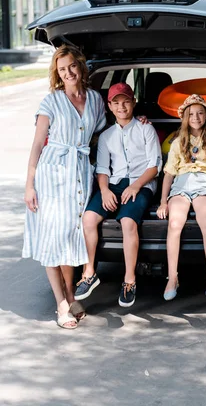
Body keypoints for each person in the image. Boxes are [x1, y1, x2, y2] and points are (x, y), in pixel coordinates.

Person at [23, 45, 106, 329]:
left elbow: (103, 134)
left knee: (72, 238)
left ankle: (71, 295)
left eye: (72, 66)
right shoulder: (51, 101)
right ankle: (61, 303)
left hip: (80, 174)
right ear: (57, 74)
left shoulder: (95, 99)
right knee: (53, 238)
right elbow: (37, 145)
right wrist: (29, 185)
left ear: (80, 66)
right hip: (52, 175)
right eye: (62, 69)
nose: (68, 72)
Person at [74, 82, 162, 308]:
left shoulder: (145, 129)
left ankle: (129, 280)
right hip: (113, 184)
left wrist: (135, 187)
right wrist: (104, 191)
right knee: (88, 219)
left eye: (126, 101)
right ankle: (89, 272)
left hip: (142, 183)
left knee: (127, 221)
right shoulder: (106, 136)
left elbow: (154, 166)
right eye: (116, 103)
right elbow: (102, 168)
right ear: (109, 107)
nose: (122, 107)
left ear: (133, 103)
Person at [156, 94, 206, 301]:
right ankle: (172, 277)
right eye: (191, 114)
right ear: (185, 117)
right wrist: (163, 201)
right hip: (181, 184)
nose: (195, 117)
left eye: (200, 113)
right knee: (175, 224)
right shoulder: (178, 142)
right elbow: (169, 173)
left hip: (203, 184)